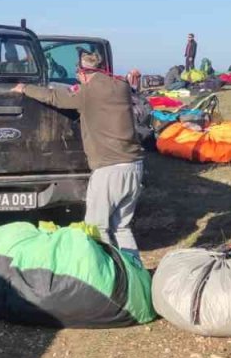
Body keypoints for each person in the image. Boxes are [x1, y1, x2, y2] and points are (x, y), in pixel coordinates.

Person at [13, 51, 144, 256]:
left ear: (82, 73)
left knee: (97, 227)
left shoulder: (87, 93)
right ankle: (135, 269)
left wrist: (24, 88)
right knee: (121, 227)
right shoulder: (122, 88)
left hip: (109, 169)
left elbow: (53, 97)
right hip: (134, 165)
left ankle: (104, 270)